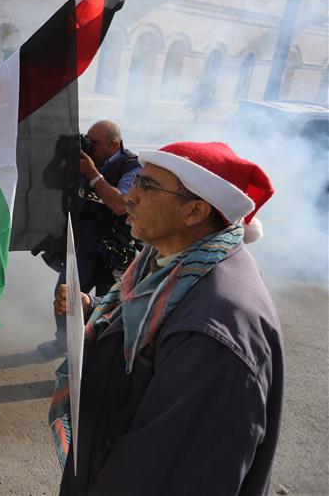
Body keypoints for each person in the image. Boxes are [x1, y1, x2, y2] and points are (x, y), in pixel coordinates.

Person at [51, 141, 282, 496]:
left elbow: (171, 473)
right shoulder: (171, 264)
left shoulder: (213, 332)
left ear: (195, 211)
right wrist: (94, 310)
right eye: (136, 181)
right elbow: (144, 326)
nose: (129, 196)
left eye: (147, 186)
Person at [38, 120, 141, 357]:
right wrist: (60, 156)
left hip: (114, 250)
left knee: (108, 303)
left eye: (95, 143)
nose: (90, 148)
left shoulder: (130, 167)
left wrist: (93, 174)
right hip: (83, 242)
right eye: (88, 140)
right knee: (65, 293)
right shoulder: (83, 163)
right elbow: (48, 182)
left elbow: (121, 205)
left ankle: (99, 351)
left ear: (115, 144)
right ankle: (62, 342)